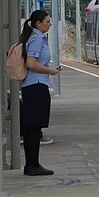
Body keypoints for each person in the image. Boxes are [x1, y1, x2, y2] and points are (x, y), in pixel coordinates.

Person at [19, 9, 60, 176]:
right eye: (48, 21)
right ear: (38, 23)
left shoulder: (35, 37)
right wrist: (49, 71)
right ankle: (32, 165)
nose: (50, 24)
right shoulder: (36, 39)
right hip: (36, 86)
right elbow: (31, 63)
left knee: (33, 128)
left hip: (33, 86)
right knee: (34, 128)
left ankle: (32, 164)